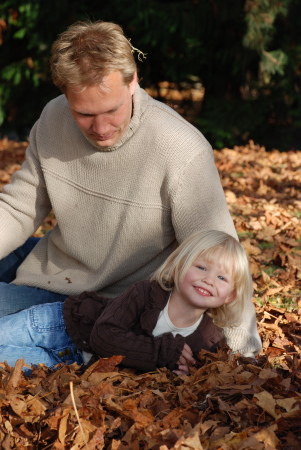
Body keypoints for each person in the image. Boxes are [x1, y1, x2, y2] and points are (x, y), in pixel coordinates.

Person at [0, 20, 255, 354]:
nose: (101, 128)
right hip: (52, 276)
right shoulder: (53, 119)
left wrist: (243, 357)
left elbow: (221, 260)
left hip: (115, 311)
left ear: (133, 80)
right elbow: (19, 208)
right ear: (65, 95)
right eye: (84, 114)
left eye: (111, 110)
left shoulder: (180, 148)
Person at [0, 230, 262, 375]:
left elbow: (201, 371)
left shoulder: (209, 339)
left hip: (73, 362)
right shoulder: (146, 293)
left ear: (230, 295)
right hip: (62, 324)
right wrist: (162, 354)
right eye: (201, 267)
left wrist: (182, 373)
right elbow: (104, 336)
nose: (208, 280)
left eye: (221, 277)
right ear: (178, 268)